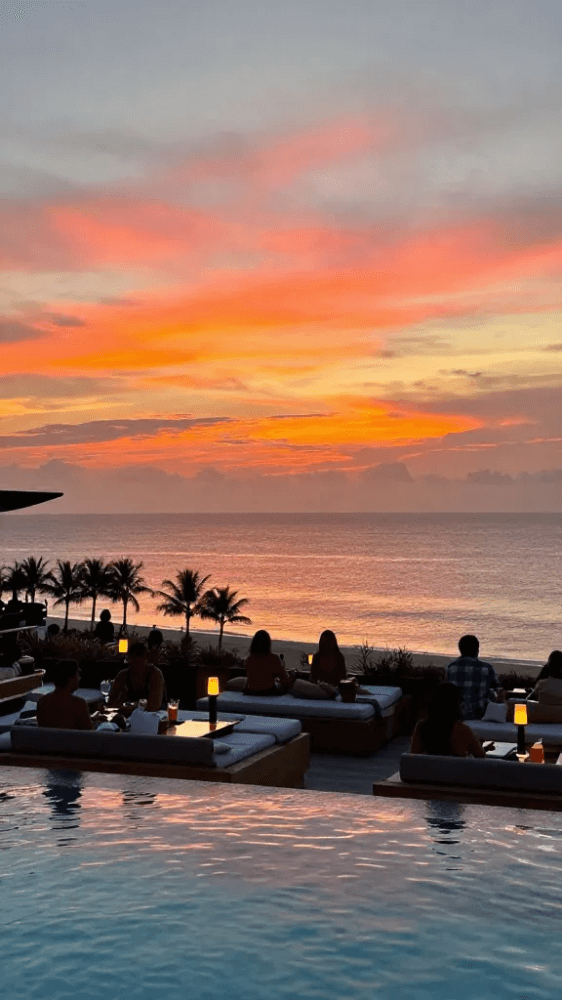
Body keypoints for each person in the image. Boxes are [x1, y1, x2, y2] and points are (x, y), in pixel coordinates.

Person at [410, 682, 486, 757]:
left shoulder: (421, 727)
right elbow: (481, 757)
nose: (462, 704)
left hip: (429, 769)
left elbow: (413, 757)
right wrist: (480, 746)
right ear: (455, 705)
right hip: (456, 769)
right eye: (460, 701)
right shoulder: (463, 730)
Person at [446, 634, 499, 719]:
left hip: (458, 715)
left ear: (460, 650)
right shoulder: (486, 668)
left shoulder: (451, 668)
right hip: (481, 715)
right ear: (477, 650)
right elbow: (496, 689)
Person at [108, 641, 166, 712]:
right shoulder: (123, 675)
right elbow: (111, 702)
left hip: (155, 716)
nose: (136, 667)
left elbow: (154, 705)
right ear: (129, 660)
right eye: (134, 662)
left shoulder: (155, 674)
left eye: (139, 662)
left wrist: (130, 707)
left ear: (146, 659)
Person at [37, 660, 93, 730]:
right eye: (78, 674)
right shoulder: (78, 703)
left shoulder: (42, 702)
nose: (79, 678)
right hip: (72, 740)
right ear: (71, 678)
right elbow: (89, 733)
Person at [244, 630, 295, 695]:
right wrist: (292, 676)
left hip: (252, 691)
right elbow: (285, 681)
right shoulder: (274, 659)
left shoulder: (248, 660)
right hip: (268, 692)